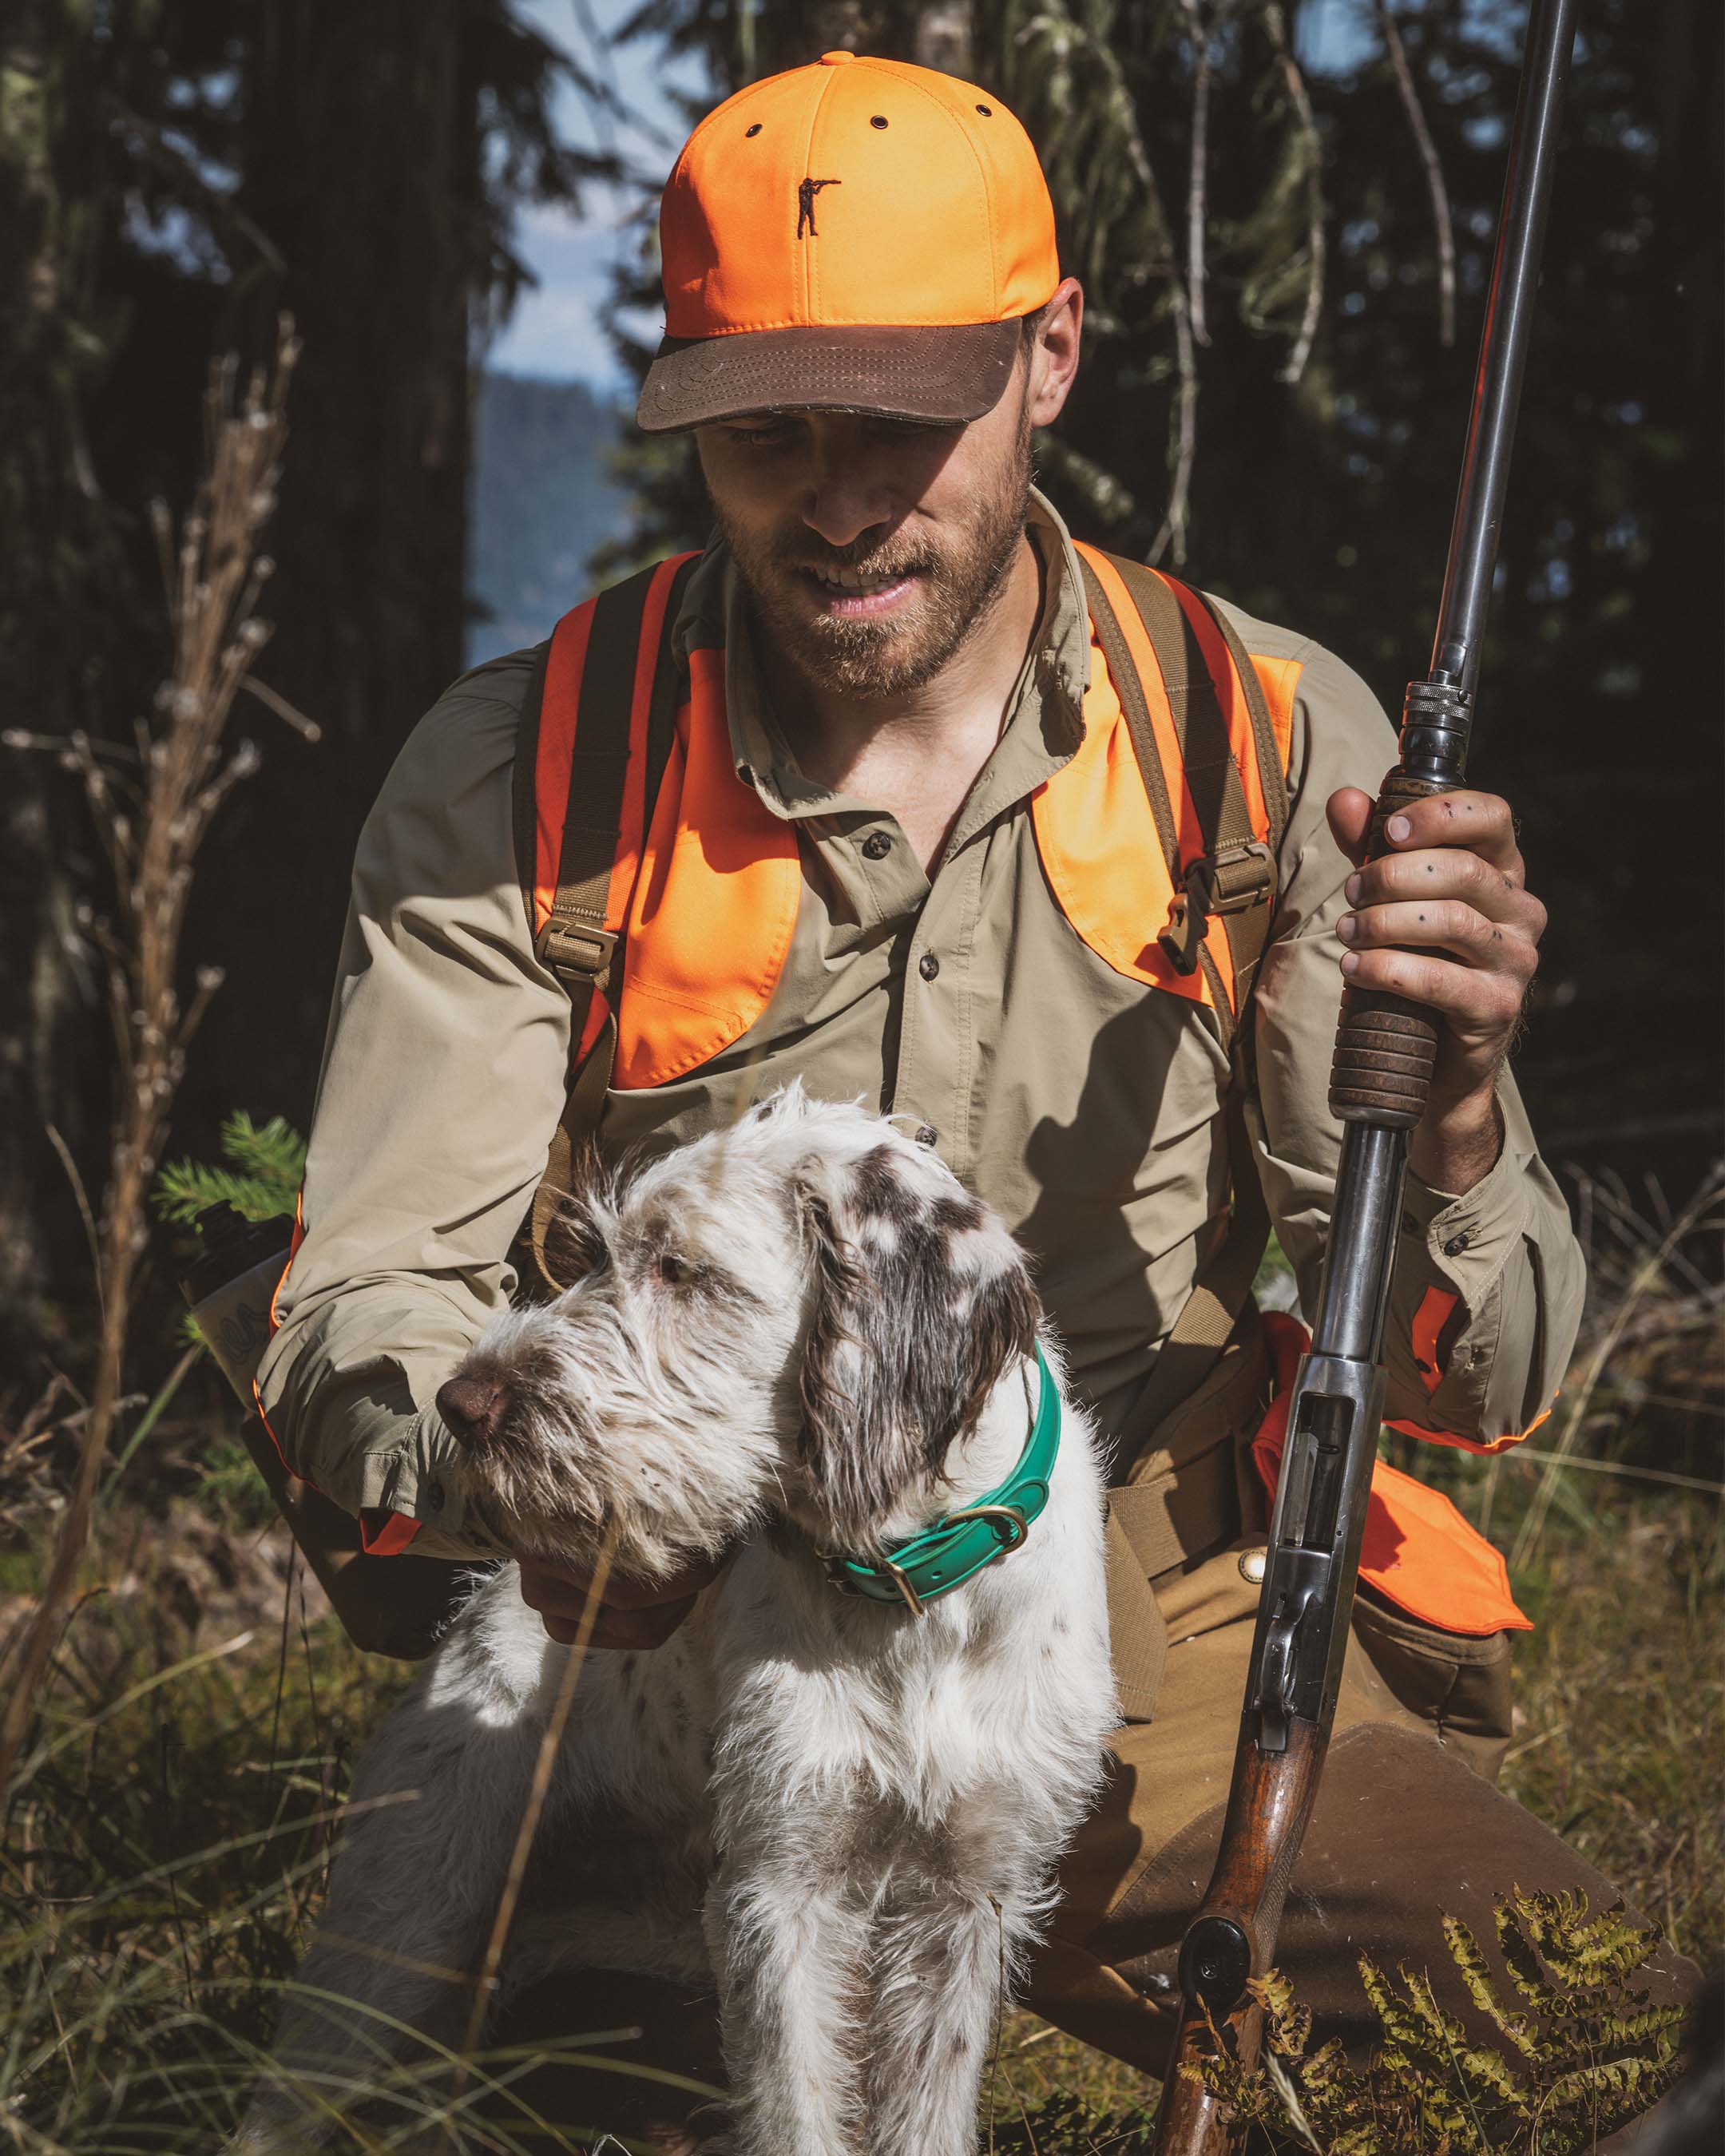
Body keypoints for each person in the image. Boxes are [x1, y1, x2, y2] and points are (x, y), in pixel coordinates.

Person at [256, 50, 1691, 2150]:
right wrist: (539, 1512)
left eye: (901, 420)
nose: (837, 495)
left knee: (1602, 2060)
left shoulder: (1265, 747)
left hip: (1170, 1624)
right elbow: (360, 1313)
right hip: (696, 1634)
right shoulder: (520, 782)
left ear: (1049, 358)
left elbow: (1483, 1380)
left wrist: (1457, 1121)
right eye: (767, 426)